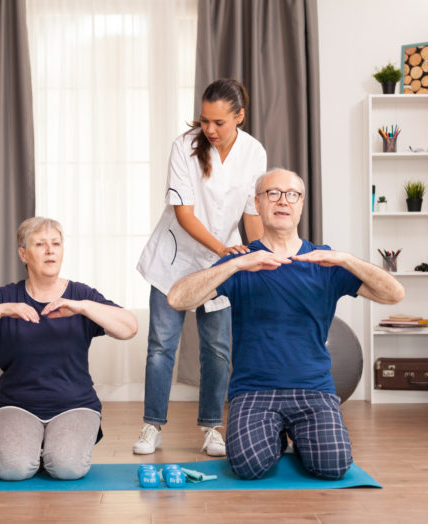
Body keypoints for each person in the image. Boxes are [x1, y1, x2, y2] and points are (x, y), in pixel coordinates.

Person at [166, 168, 404, 479]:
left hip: (314, 390)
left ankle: (300, 435)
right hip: (254, 390)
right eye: (273, 193)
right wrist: (237, 263)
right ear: (258, 203)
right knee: (248, 467)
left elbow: (394, 294)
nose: (283, 201)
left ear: (301, 204)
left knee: (333, 467)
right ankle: (277, 437)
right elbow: (178, 298)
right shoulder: (241, 262)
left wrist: (347, 259)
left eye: (292, 194)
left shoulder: (325, 262)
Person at [0, 217, 137, 481]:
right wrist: (2, 310)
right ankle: (35, 445)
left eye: (56, 244)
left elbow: (129, 327)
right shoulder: (6, 297)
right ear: (23, 254)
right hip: (16, 404)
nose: (50, 250)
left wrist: (83, 307)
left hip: (75, 404)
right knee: (12, 470)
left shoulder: (81, 295)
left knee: (66, 468)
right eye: (40, 244)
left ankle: (52, 446)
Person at [134, 78, 267, 456]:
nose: (209, 129)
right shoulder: (185, 147)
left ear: (239, 117)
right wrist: (227, 251)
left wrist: (255, 256)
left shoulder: (254, 153)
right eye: (204, 120)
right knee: (161, 346)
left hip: (223, 260)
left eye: (219, 123)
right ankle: (151, 426)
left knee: (218, 349)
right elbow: (184, 213)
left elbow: (251, 211)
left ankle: (212, 427)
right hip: (175, 258)